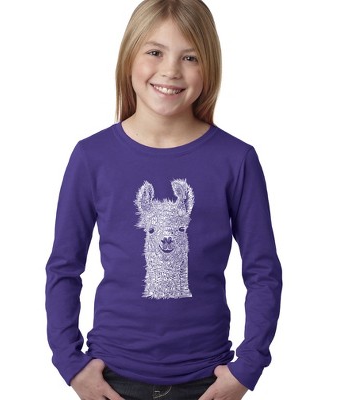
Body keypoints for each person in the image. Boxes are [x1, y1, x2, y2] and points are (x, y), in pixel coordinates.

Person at [45, 0, 283, 399]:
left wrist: (247, 368)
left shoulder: (235, 160)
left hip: (208, 378)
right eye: (155, 52)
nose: (171, 70)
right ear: (129, 58)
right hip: (113, 376)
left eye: (190, 57)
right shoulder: (92, 157)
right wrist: (70, 363)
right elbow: (64, 266)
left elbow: (262, 270)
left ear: (209, 67)